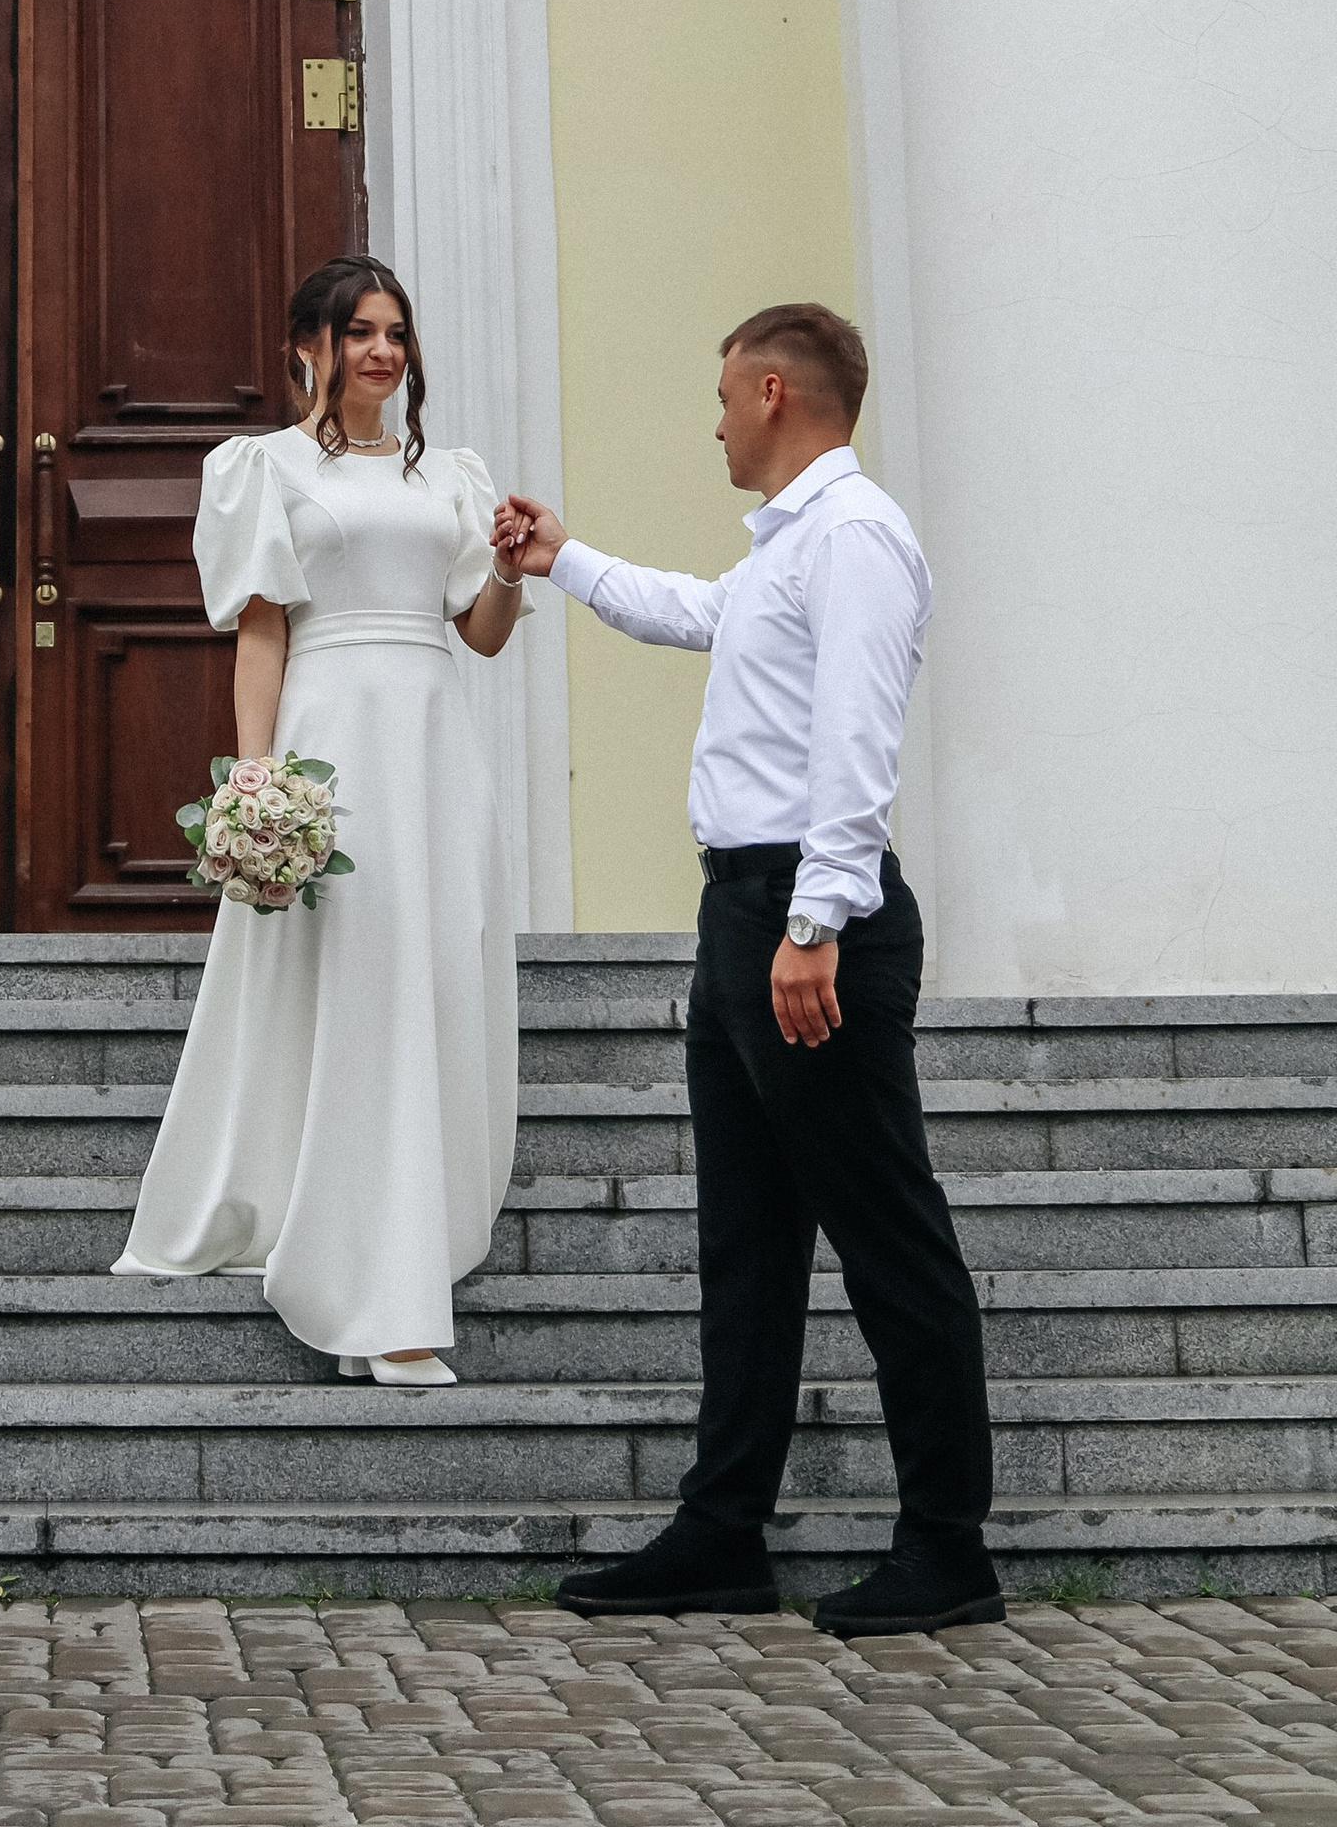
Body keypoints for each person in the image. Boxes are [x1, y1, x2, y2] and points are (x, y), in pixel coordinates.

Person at [496, 301, 1001, 1638]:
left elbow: (857, 741)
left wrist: (818, 923)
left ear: (774, 392)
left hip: (801, 916)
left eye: (725, 395)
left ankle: (948, 1550)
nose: (713, 419)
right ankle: (722, 1534)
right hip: (745, 918)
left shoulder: (857, 540)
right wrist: (563, 559)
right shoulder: (788, 551)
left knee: (890, 1238)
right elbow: (698, 614)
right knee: (750, 1246)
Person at [114, 257, 530, 1378]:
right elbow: (261, 627)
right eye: (359, 333)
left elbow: (480, 632)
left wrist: (507, 570)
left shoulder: (450, 474)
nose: (384, 352)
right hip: (331, 737)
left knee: (431, 974)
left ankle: (400, 1243)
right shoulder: (264, 469)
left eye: (396, 331)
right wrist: (254, 781)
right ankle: (371, 1291)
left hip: (432, 745)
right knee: (357, 986)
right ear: (309, 345)